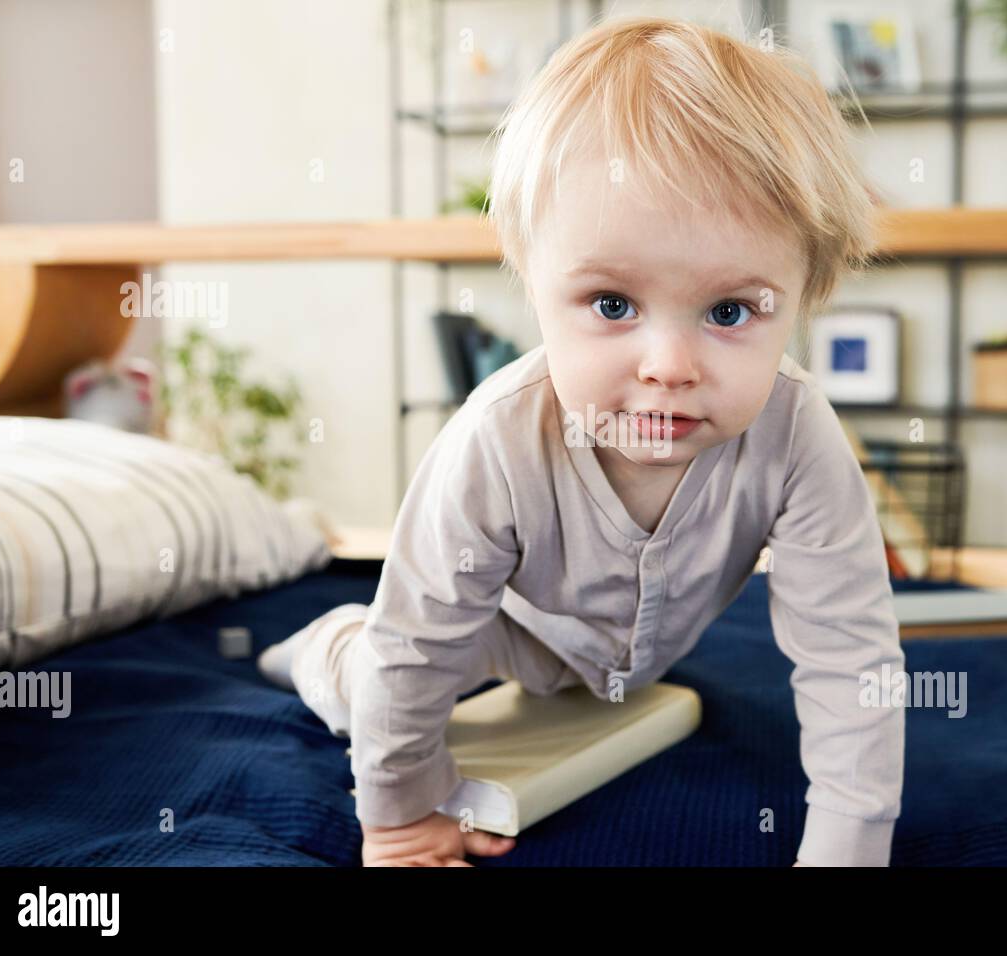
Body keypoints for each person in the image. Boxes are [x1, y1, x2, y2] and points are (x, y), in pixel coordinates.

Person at [259, 14, 904, 867]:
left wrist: (847, 853)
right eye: (611, 305)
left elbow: (852, 663)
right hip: (504, 625)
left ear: (802, 295)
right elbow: (419, 647)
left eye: (728, 312)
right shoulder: (496, 439)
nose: (669, 366)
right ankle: (323, 646)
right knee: (381, 676)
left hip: (631, 669)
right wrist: (403, 815)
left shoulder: (798, 435)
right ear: (532, 281)